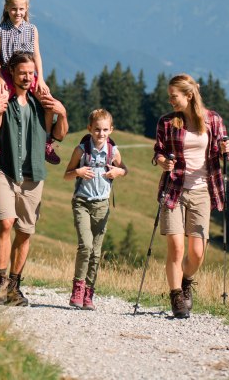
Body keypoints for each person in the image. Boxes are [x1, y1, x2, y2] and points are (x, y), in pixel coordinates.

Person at [0, 51, 68, 306]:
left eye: (31, 73)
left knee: (25, 231)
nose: (27, 77)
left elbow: (59, 136)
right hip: (3, 169)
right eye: (22, 72)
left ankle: (14, 286)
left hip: (33, 174)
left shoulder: (41, 99)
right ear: (11, 72)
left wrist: (63, 113)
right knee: (6, 222)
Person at [153, 74, 229, 318]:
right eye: (169, 97)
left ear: (189, 95)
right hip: (174, 189)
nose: (170, 101)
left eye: (174, 96)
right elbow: (158, 152)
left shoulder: (212, 120)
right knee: (176, 248)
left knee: (197, 252)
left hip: (202, 191)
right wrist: (163, 161)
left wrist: (226, 148)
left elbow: (224, 148)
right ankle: (176, 296)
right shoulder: (167, 123)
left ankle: (186, 281)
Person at [0, 0, 60, 172]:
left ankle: (46, 141)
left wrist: (40, 78)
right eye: (13, 9)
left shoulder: (32, 30)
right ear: (6, 9)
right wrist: (0, 77)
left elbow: (37, 56)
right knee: (0, 103)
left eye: (21, 9)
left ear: (26, 9)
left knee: (48, 102)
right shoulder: (0, 31)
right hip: (8, 75)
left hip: (29, 74)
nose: (17, 13)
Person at [63, 109, 128, 310]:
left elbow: (124, 169)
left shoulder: (113, 151)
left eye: (105, 130)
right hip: (82, 202)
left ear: (111, 130)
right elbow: (66, 174)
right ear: (89, 128)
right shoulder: (81, 150)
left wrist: (118, 171)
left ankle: (89, 293)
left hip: (102, 205)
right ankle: (78, 288)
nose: (101, 133)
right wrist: (78, 172)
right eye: (97, 129)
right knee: (86, 246)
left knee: (96, 252)